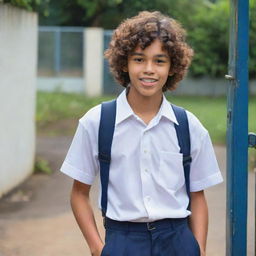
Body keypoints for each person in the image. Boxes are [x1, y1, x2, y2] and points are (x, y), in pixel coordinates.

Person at [60, 11, 223, 256]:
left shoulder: (188, 125)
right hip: (122, 240)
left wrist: (198, 250)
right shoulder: (97, 122)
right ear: (124, 63)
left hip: (177, 239)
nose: (149, 69)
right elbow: (79, 194)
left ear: (172, 67)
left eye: (159, 61)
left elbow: (197, 196)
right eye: (139, 59)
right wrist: (98, 248)